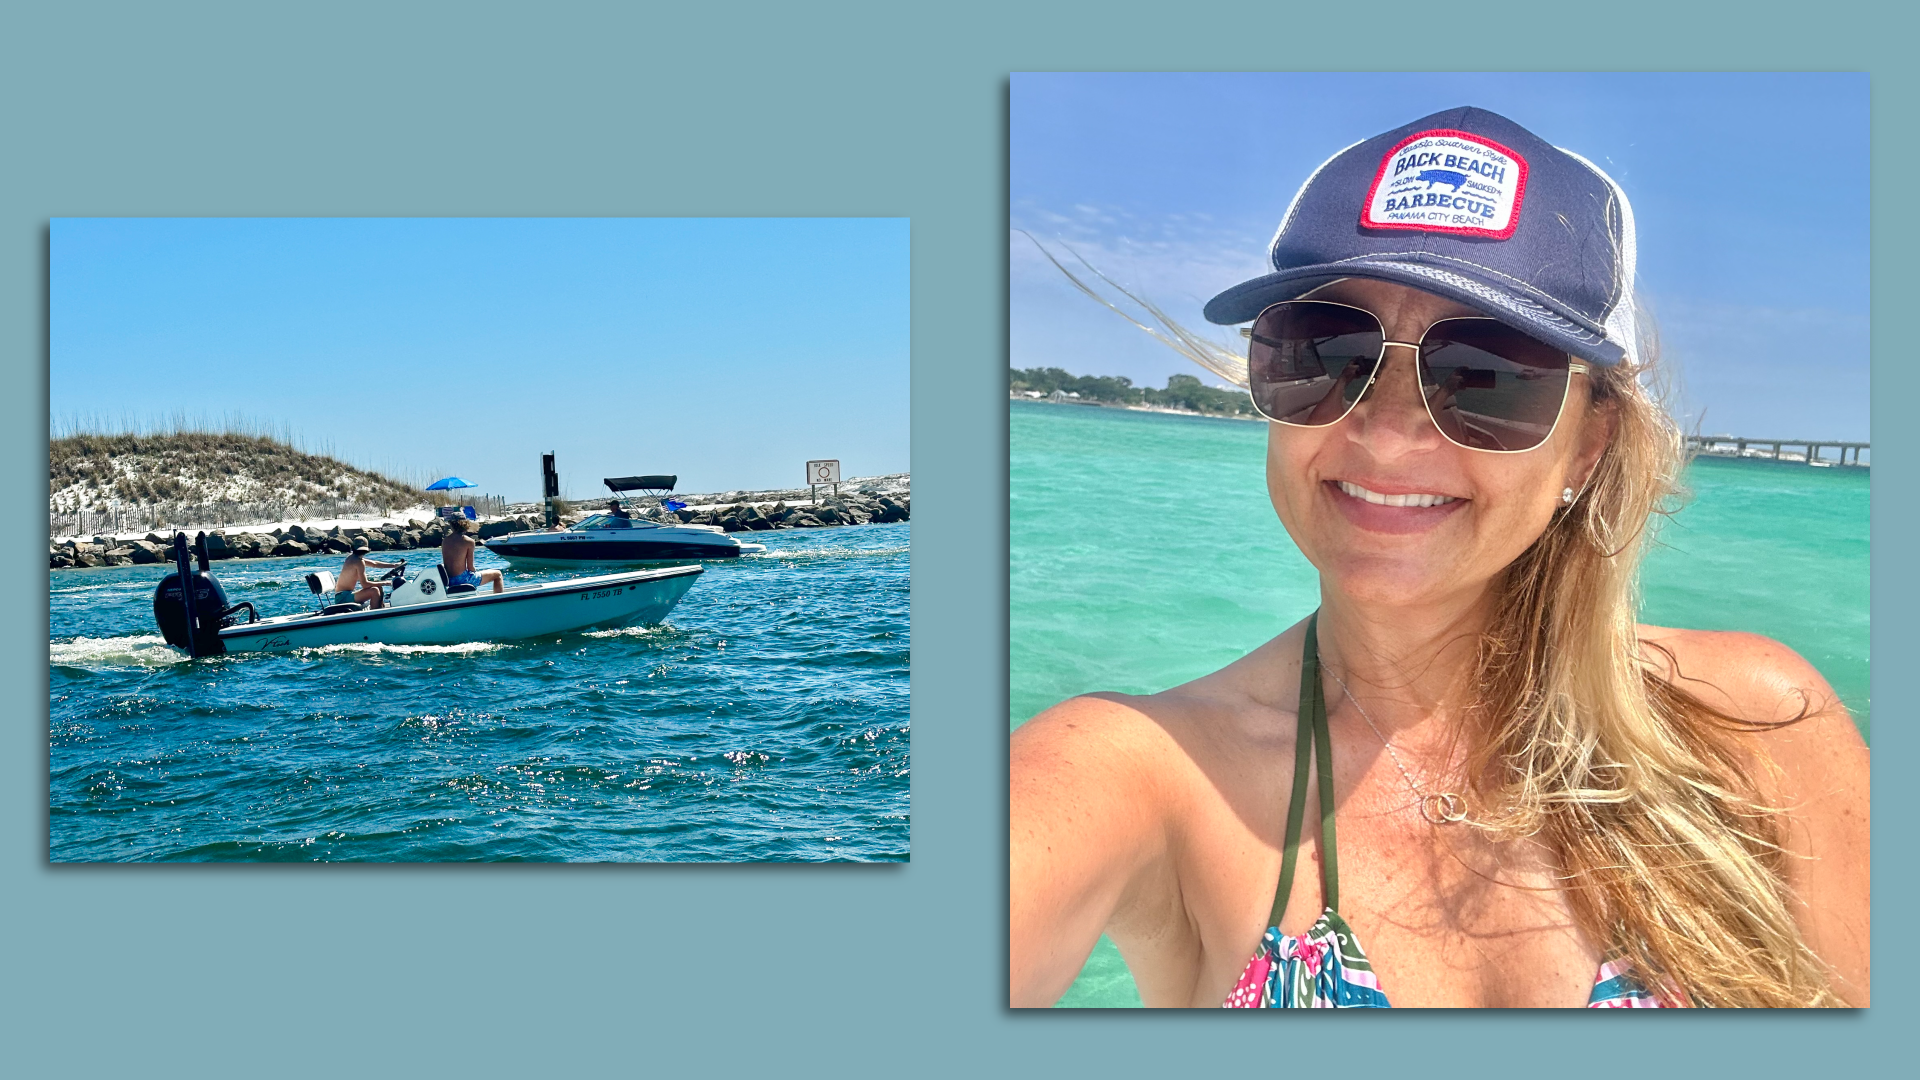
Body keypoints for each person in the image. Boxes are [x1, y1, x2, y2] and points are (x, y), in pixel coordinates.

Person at [1010, 107, 1869, 1009]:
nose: (1385, 437)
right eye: (1325, 351)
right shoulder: (1150, 770)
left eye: (1488, 374)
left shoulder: (1753, 733)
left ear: (1588, 446)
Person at [440, 515, 505, 593]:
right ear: (465, 523)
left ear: (451, 525)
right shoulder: (468, 541)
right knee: (497, 574)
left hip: (449, 580)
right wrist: (476, 571)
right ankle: (498, 600)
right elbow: (470, 567)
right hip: (463, 580)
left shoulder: (445, 541)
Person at [334, 542, 402, 610]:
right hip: (342, 598)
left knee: (378, 586)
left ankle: (381, 609)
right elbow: (365, 584)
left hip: (343, 595)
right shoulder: (358, 561)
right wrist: (385, 583)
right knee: (374, 591)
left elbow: (374, 564)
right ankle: (375, 616)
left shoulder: (353, 557)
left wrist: (394, 565)